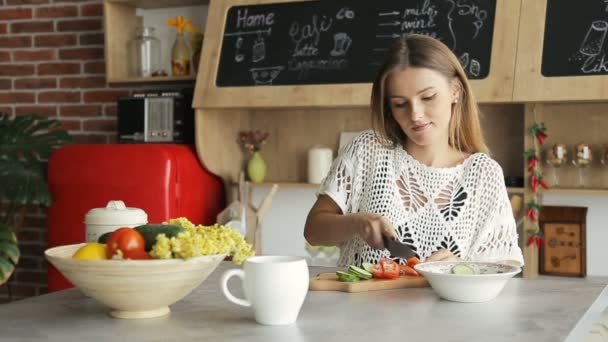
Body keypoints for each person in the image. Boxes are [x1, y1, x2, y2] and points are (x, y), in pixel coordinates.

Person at [304, 34, 524, 268]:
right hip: (362, 305)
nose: (415, 115)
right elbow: (313, 231)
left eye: (428, 97)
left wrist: (463, 267)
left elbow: (502, 268)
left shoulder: (483, 173)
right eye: (400, 104)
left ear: (456, 91)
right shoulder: (367, 151)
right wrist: (356, 223)